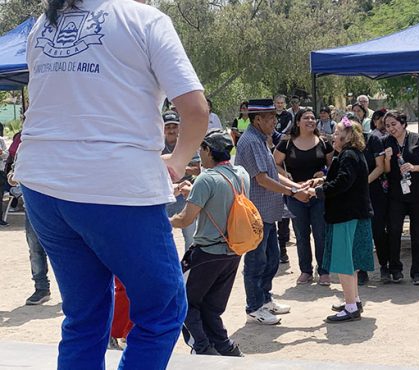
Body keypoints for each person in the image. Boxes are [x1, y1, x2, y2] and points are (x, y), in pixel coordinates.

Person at [15, 0, 208, 367]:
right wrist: (179, 161)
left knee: (83, 314)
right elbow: (196, 110)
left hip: (42, 183)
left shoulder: (46, 22)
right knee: (163, 308)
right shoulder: (145, 20)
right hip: (114, 184)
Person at [170, 130, 247, 356]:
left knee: (182, 303)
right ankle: (226, 348)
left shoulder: (206, 179)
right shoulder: (241, 173)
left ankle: (203, 350)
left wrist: (163, 222)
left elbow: (185, 219)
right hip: (232, 252)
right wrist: (194, 192)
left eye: (200, 149)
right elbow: (223, 197)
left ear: (207, 150)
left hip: (207, 253)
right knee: (211, 308)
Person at [235, 98, 310, 325]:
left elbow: (271, 173)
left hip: (268, 211)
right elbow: (262, 179)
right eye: (271, 118)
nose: (275, 122)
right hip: (257, 212)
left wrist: (295, 186)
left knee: (272, 259)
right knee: (256, 261)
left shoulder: (261, 139)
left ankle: (265, 299)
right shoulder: (250, 142)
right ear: (257, 119)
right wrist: (293, 193)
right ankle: (254, 307)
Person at [306, 118, 375, 322]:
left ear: (346, 137)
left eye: (336, 134)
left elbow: (344, 182)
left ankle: (351, 306)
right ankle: (353, 300)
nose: (333, 137)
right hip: (353, 214)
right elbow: (345, 179)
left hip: (346, 215)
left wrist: (318, 191)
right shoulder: (352, 154)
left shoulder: (348, 156)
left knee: (345, 262)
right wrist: (323, 180)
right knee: (351, 263)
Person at [274, 109, 334, 286]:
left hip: (319, 195)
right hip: (295, 194)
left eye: (312, 118)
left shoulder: (324, 142)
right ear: (297, 122)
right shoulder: (286, 143)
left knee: (321, 234)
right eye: (306, 118)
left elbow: (333, 166)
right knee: (301, 234)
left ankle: (324, 271)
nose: (310, 120)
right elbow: (274, 163)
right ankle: (306, 271)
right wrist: (287, 176)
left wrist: (323, 173)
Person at [383, 110, 419, 285]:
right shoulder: (386, 142)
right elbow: (386, 171)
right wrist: (387, 159)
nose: (391, 128)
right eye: (388, 125)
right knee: (394, 230)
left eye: (394, 124)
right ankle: (395, 269)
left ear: (403, 123)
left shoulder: (418, 139)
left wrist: (414, 167)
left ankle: (418, 272)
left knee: (417, 232)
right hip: (397, 193)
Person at [162, 111, 200, 249]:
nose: (171, 130)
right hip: (164, 194)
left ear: (179, 127)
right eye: (168, 127)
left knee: (190, 236)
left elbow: (197, 170)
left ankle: (188, 269)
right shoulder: (156, 145)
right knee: (161, 233)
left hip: (185, 194)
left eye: (174, 126)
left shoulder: (187, 144)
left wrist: (176, 164)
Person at [358, 114, 388, 284]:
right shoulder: (346, 145)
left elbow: (380, 167)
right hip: (356, 195)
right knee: (361, 233)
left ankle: (384, 265)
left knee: (378, 230)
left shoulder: (373, 140)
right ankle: (362, 270)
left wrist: (363, 182)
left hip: (374, 191)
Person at [273, 94, 294, 262]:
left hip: (282, 170)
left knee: (284, 213)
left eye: (282, 103)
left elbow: (284, 135)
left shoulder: (288, 117)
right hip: (267, 177)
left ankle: (283, 249)